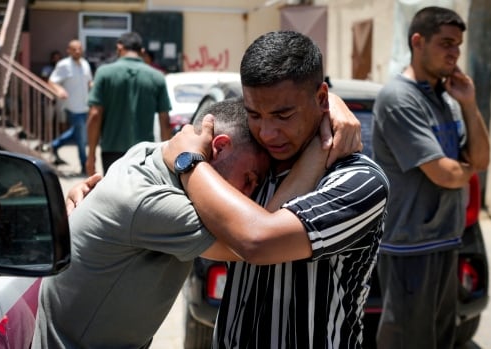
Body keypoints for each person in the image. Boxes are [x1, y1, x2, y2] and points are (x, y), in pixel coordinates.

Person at [162, 30, 389, 348]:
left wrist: (189, 163)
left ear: (321, 98)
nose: (267, 132)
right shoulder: (247, 166)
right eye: (254, 115)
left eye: (283, 115)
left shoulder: (360, 182)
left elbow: (258, 242)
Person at [33, 98, 311, 349]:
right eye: (250, 178)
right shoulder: (155, 204)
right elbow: (259, 240)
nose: (249, 193)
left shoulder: (146, 153)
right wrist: (320, 150)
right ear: (220, 146)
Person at [372, 6, 490, 349]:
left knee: (440, 340)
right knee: (408, 341)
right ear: (418, 42)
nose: (454, 53)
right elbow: (445, 174)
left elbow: (479, 160)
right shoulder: (399, 98)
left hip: (446, 240)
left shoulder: (447, 98)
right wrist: (461, 170)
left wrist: (469, 104)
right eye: (446, 43)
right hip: (410, 247)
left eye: (458, 46)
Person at [86, 31, 172, 176]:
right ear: (142, 51)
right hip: (144, 152)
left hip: (111, 151)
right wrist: (167, 158)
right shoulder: (157, 77)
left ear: (119, 48)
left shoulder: (104, 73)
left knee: (114, 194)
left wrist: (91, 155)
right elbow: (165, 120)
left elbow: (95, 115)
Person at [48, 40, 93, 173]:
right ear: (68, 50)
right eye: (74, 49)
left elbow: (89, 82)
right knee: (81, 138)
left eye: (79, 49)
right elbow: (51, 81)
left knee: (77, 133)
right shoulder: (63, 64)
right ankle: (84, 165)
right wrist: (59, 90)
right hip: (72, 107)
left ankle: (54, 145)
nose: (77, 51)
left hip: (85, 106)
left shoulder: (85, 64)